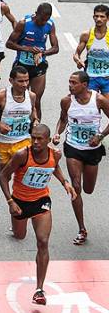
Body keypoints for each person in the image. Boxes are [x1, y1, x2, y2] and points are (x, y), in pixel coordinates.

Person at [0, 124, 75, 305]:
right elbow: (3, 176)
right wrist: (10, 202)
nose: (35, 141)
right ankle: (16, 226)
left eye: (40, 139)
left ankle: (39, 290)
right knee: (20, 236)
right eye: (33, 137)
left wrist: (65, 182)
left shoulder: (55, 154)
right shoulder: (22, 155)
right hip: (20, 202)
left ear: (48, 141)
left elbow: (53, 166)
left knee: (42, 242)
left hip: (41, 201)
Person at [53, 71, 109, 245]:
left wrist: (99, 136)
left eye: (74, 83)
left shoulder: (99, 100)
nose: (70, 85)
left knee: (89, 189)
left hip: (93, 149)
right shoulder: (66, 101)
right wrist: (57, 133)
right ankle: (81, 228)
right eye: (69, 82)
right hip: (73, 148)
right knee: (76, 186)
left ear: (85, 85)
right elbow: (62, 120)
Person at [0, 66, 37, 173]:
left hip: (24, 140)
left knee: (24, 171)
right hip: (2, 141)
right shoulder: (1, 96)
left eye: (27, 80)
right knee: (4, 173)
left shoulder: (31, 96)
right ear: (11, 80)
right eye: (20, 81)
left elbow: (33, 109)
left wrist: (35, 120)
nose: (25, 84)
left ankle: (19, 190)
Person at [6, 3, 58, 117]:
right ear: (36, 14)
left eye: (46, 19)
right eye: (41, 19)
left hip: (39, 66)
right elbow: (9, 44)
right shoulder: (23, 24)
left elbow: (55, 48)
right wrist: (27, 49)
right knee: (18, 98)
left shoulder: (50, 25)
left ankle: (36, 130)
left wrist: (43, 52)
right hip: (22, 65)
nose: (43, 22)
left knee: (36, 101)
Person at [73, 4, 109, 96]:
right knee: (91, 108)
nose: (99, 19)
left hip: (107, 78)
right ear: (93, 17)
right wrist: (78, 60)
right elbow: (77, 54)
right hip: (91, 77)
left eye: (102, 16)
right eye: (96, 16)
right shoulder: (87, 35)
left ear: (107, 18)